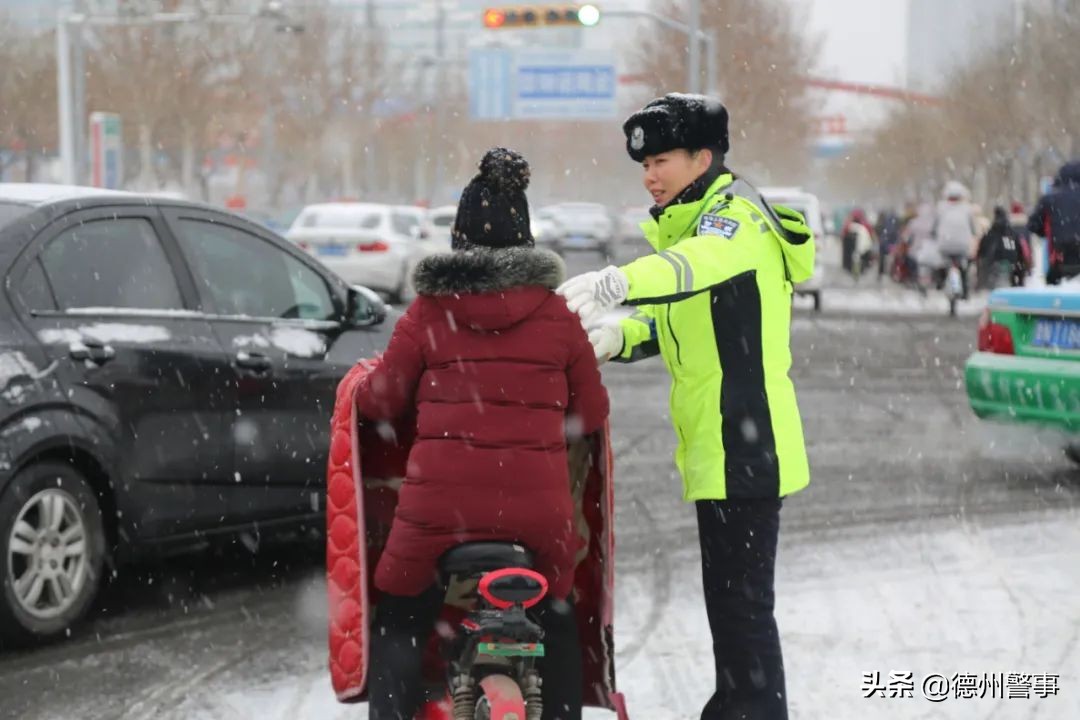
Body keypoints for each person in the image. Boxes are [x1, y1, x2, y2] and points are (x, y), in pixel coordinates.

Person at [557, 93, 814, 720]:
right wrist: (620, 336)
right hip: (718, 445)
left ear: (703, 157)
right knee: (729, 603)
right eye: (643, 165)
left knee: (743, 608)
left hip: (746, 445)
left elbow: (693, 269)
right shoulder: (699, 221)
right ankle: (735, 704)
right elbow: (684, 318)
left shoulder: (735, 219)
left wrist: (617, 280)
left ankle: (749, 709)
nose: (649, 175)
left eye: (661, 161)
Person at [354, 148, 609, 720]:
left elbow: (385, 400)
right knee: (558, 612)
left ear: (458, 237)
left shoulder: (428, 312)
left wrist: (364, 388)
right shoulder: (557, 316)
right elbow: (590, 414)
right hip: (538, 516)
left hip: (436, 511)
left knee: (399, 610)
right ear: (525, 237)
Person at [1028, 161, 1080, 285]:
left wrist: (1048, 232)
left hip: (1059, 257)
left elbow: (1033, 225)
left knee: (1054, 292)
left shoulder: (1050, 198)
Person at [933, 181, 978, 299]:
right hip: (962, 245)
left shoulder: (940, 207)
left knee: (942, 263)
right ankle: (965, 290)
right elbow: (973, 228)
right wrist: (973, 234)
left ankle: (940, 283)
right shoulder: (967, 209)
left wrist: (934, 235)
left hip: (945, 244)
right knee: (963, 266)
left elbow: (934, 227)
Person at [975, 206, 1023, 289]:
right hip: (1010, 263)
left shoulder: (991, 231)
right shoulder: (1012, 232)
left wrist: (981, 256)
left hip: (994, 262)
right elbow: (1019, 249)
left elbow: (983, 247)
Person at [841, 208, 875, 281]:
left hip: (855, 248)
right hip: (860, 248)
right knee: (857, 261)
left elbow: (844, 234)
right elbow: (870, 235)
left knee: (856, 261)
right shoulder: (863, 226)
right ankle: (857, 272)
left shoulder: (851, 225)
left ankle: (855, 272)